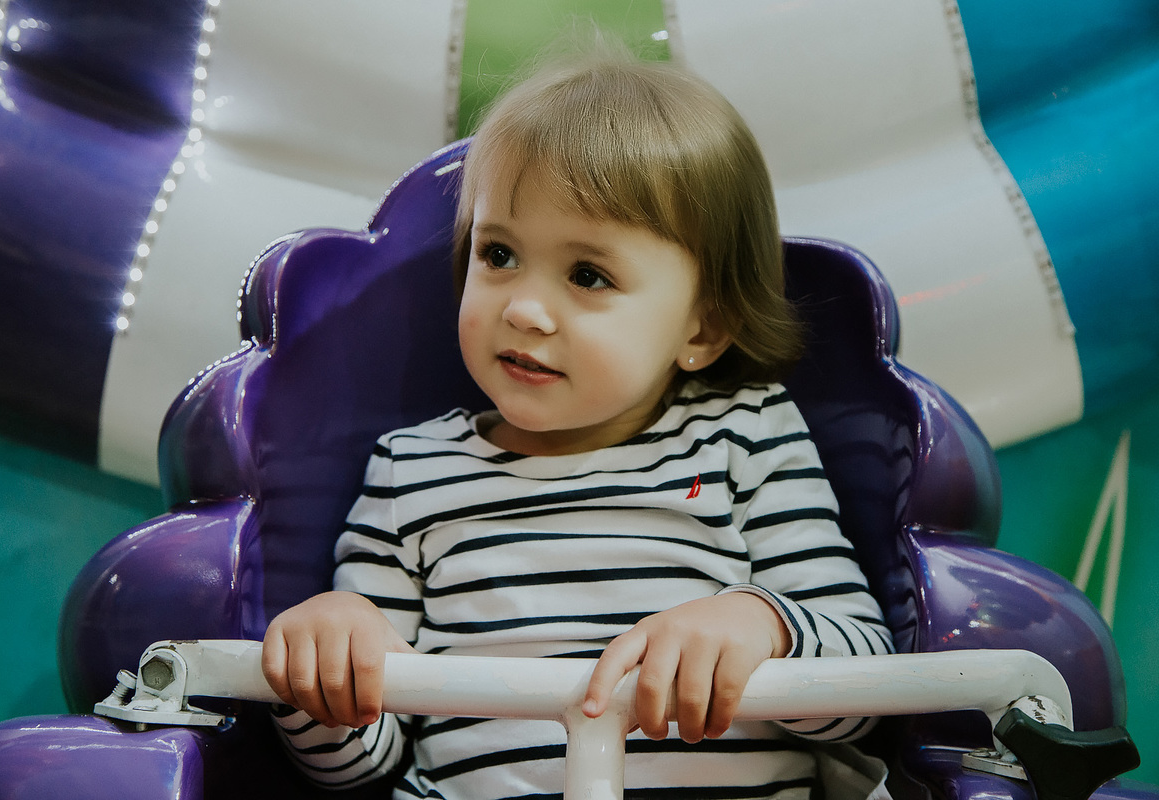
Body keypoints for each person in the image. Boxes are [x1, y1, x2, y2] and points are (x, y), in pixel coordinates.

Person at [261, 43, 893, 800]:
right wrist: (323, 671)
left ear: (702, 328)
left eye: (587, 274)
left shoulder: (745, 435)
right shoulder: (412, 469)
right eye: (498, 254)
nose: (523, 309)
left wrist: (763, 625)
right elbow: (360, 762)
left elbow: (862, 695)